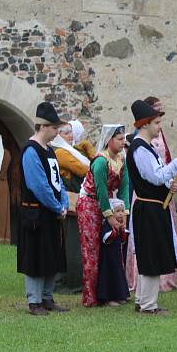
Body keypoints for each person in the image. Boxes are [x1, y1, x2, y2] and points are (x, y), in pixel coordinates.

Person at [126, 100, 177, 316]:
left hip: (154, 207)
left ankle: (143, 301)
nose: (159, 126)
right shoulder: (139, 149)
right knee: (150, 256)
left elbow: (158, 176)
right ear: (144, 125)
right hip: (148, 210)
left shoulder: (147, 148)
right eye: (156, 122)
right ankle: (148, 305)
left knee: (149, 255)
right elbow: (155, 176)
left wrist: (168, 186)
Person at [17, 102, 71, 315]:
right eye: (55, 127)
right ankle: (35, 301)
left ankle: (47, 297)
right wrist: (57, 206)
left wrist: (64, 203)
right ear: (44, 127)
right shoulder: (31, 151)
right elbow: (38, 185)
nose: (57, 131)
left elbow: (58, 181)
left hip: (51, 212)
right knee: (35, 256)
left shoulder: (50, 151)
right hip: (36, 214)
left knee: (51, 255)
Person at [77, 124, 129, 307]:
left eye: (124, 138)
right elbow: (99, 190)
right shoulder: (100, 162)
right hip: (89, 205)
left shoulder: (122, 160)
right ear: (109, 140)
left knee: (110, 247)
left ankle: (112, 292)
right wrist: (110, 217)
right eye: (119, 139)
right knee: (92, 249)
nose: (124, 142)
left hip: (107, 203)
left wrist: (123, 213)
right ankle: (92, 296)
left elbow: (124, 187)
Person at [96, 199, 130, 305]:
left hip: (117, 257)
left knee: (118, 274)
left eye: (122, 211)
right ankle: (109, 297)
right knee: (110, 275)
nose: (120, 214)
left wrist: (123, 231)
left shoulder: (120, 224)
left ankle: (120, 295)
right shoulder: (107, 224)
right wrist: (115, 231)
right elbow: (105, 239)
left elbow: (123, 240)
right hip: (108, 258)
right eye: (117, 211)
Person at [52, 122, 90, 193]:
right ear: (58, 136)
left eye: (71, 132)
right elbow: (81, 170)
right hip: (72, 192)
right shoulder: (60, 152)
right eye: (66, 133)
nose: (71, 136)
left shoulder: (68, 148)